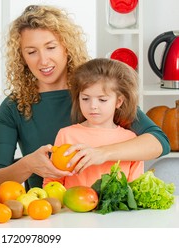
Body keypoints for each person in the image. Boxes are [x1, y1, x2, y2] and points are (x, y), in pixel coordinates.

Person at [0, 5, 170, 189]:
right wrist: (27, 165)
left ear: (66, 48)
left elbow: (159, 142)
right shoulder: (14, 106)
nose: (43, 60)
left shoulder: (94, 94)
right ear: (22, 57)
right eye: (31, 52)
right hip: (46, 209)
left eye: (51, 47)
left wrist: (101, 153)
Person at [43, 58, 143, 188]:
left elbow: (135, 188)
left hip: (117, 209)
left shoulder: (130, 140)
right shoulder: (66, 135)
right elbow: (52, 183)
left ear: (118, 102)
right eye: (85, 98)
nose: (93, 106)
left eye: (102, 100)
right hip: (72, 208)